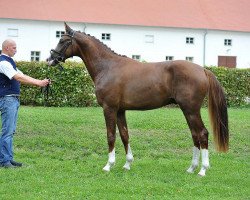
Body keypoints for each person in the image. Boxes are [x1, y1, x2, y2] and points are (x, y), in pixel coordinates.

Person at [0, 39, 50, 168]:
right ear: (6, 48)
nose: (16, 50)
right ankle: (4, 161)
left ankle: (8, 159)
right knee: (7, 131)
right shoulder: (3, 62)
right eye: (14, 48)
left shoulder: (10, 62)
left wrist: (41, 81)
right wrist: (39, 83)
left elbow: (22, 75)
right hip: (8, 99)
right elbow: (18, 77)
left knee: (11, 131)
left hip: (13, 99)